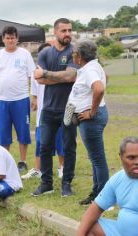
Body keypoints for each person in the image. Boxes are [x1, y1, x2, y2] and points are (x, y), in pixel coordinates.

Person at [35, 40, 109, 204]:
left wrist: (92, 111)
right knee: (94, 157)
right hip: (79, 114)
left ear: (80, 56)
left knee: (97, 159)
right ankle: (96, 194)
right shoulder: (90, 68)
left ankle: (103, 198)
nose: (72, 55)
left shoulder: (89, 70)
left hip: (90, 118)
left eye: (74, 53)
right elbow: (102, 82)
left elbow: (99, 88)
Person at [31, 18, 78, 197]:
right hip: (48, 108)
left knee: (68, 147)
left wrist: (47, 74)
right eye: (64, 31)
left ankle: (66, 183)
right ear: (55, 32)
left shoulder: (74, 51)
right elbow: (39, 79)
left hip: (69, 108)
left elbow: (71, 76)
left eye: (69, 30)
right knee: (44, 146)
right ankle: (46, 183)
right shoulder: (45, 53)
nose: (67, 34)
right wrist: (58, 76)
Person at [0, 26, 36, 172]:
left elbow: (32, 76)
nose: (10, 41)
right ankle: (6, 161)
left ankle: (22, 161)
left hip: (21, 99)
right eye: (7, 38)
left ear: (17, 39)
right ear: (3, 39)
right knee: (3, 134)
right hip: (2, 101)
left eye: (13, 38)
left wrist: (35, 97)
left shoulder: (25, 54)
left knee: (23, 131)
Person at [21, 43, 64, 180]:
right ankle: (38, 169)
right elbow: (35, 96)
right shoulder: (36, 74)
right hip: (43, 115)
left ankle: (62, 167)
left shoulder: (59, 71)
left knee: (60, 141)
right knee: (41, 142)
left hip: (59, 112)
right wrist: (34, 103)